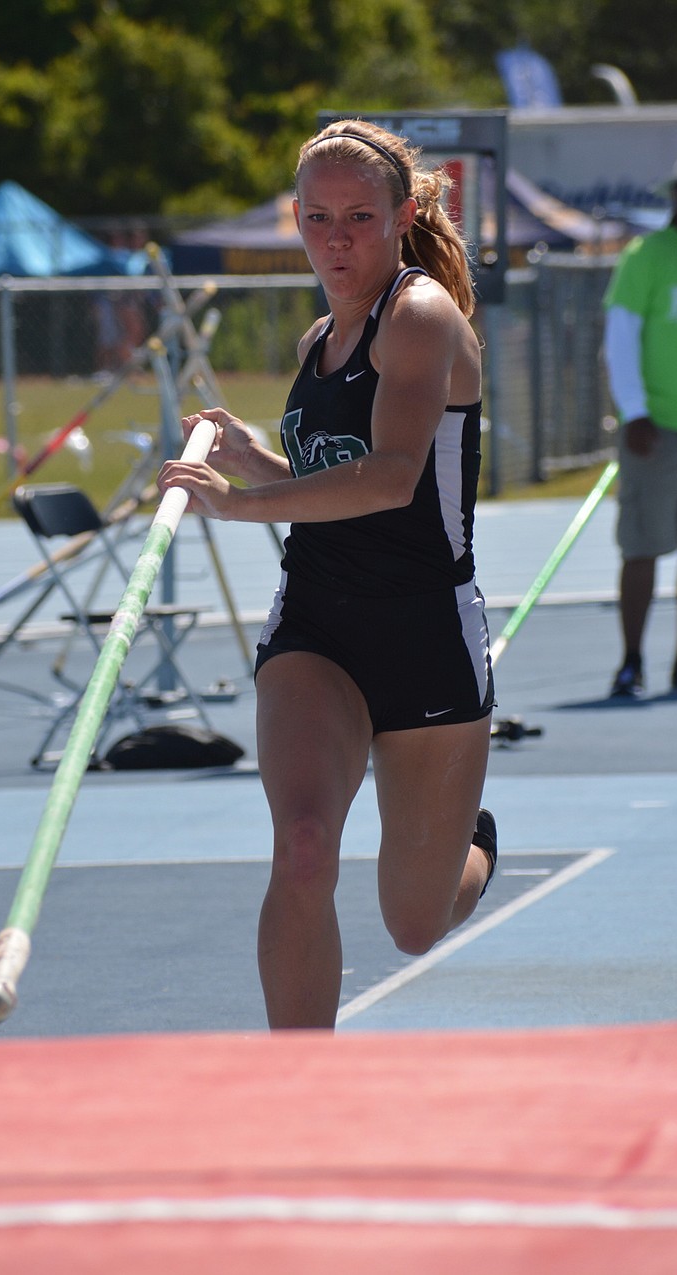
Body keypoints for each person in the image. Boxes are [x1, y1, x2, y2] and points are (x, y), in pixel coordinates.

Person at [158, 120, 496, 1029]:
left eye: (358, 218)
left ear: (402, 217)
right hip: (318, 626)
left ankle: (472, 844)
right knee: (304, 847)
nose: (336, 240)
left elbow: (390, 480)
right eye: (317, 219)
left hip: (425, 633)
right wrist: (254, 460)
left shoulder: (420, 316)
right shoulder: (319, 338)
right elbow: (327, 481)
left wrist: (237, 503)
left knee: (415, 923)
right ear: (297, 220)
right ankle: (299, 1086)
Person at [603, 145, 677, 698]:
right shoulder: (647, 255)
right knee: (642, 547)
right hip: (658, 428)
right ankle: (631, 662)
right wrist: (636, 411)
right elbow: (620, 338)